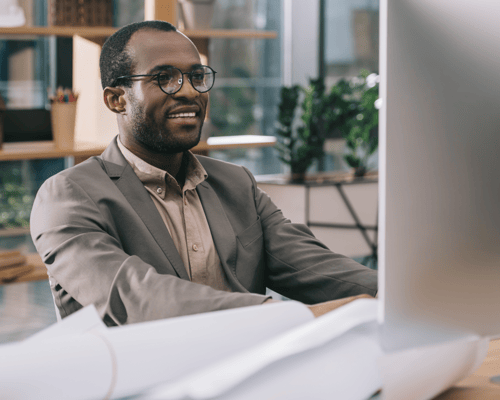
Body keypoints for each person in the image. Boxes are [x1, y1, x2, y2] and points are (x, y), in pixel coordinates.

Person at [30, 21, 377, 326]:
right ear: (116, 99)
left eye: (196, 76)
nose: (188, 91)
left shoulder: (236, 183)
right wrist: (295, 317)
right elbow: (141, 300)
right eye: (164, 78)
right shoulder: (67, 196)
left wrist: (405, 293)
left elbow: (314, 268)